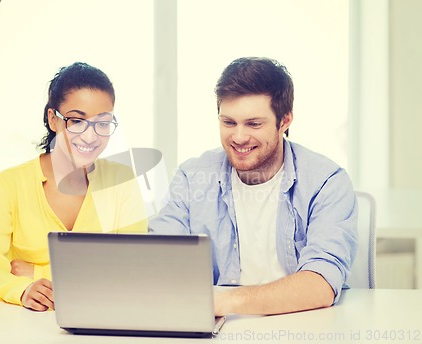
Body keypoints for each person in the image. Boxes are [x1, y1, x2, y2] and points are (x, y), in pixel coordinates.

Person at [149, 57, 358, 316]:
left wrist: (220, 302)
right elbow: (159, 263)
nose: (238, 137)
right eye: (228, 123)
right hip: (217, 327)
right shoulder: (192, 178)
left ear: (285, 121)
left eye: (253, 124)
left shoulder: (327, 181)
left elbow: (321, 284)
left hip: (302, 323)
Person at [0, 62, 147, 311]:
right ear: (53, 119)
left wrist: (37, 272)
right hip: (21, 327)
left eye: (103, 123)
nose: (90, 136)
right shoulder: (8, 185)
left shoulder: (122, 181)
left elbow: (134, 270)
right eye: (76, 121)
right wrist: (22, 290)